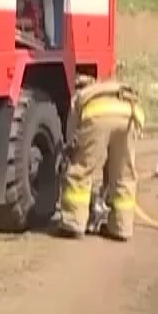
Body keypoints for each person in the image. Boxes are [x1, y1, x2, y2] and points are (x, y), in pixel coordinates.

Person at [56, 73, 145, 241]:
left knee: (81, 170)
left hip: (98, 117)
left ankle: (73, 224)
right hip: (130, 114)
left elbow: (72, 132)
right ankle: (121, 228)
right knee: (123, 175)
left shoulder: (81, 95)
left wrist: (71, 150)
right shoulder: (107, 87)